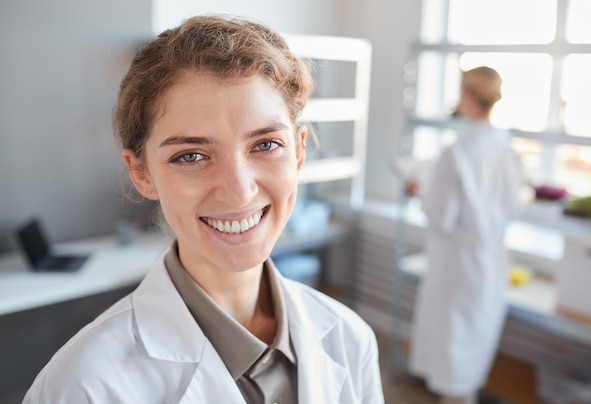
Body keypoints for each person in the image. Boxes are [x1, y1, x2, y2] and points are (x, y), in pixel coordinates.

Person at [23, 15, 383, 404]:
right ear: (141, 173)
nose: (238, 192)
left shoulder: (350, 338)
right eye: (191, 155)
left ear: (298, 151)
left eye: (265, 145)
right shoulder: (83, 386)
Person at [407, 66, 523, 404]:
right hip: (491, 261)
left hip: (457, 267)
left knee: (452, 354)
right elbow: (513, 206)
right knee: (472, 346)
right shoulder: (506, 148)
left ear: (468, 97)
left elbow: (443, 218)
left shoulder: (457, 153)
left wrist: (419, 190)